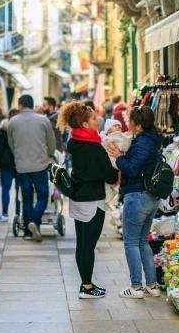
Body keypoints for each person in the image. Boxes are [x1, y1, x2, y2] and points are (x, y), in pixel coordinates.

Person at [57, 102, 118, 299]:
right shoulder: (94, 148)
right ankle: (87, 286)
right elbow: (110, 176)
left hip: (78, 197)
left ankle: (86, 283)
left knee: (82, 244)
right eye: (93, 118)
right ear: (84, 124)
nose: (97, 120)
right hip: (92, 200)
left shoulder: (77, 143)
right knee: (88, 247)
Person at [105, 106, 162, 299]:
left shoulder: (142, 143)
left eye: (130, 122)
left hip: (137, 196)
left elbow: (131, 169)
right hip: (150, 197)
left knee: (131, 242)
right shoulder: (151, 140)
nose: (127, 125)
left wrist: (119, 157)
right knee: (142, 241)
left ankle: (136, 286)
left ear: (137, 124)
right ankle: (152, 285)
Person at [7, 95, 56, 242]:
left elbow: (11, 144)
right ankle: (35, 221)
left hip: (22, 166)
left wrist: (18, 156)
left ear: (20, 105)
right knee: (42, 195)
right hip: (40, 164)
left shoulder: (13, 122)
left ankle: (28, 232)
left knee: (26, 198)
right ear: (32, 105)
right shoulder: (43, 120)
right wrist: (50, 155)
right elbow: (51, 142)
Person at [0, 108, 20, 222]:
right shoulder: (21, 129)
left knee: (5, 189)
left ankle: (4, 214)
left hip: (5, 163)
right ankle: (18, 213)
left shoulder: (4, 129)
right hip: (19, 163)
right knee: (19, 190)